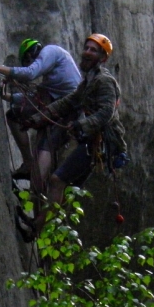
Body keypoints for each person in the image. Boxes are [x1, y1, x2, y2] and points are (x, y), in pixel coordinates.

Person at [26, 33, 128, 230]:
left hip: (101, 143)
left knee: (57, 180)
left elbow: (106, 113)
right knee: (69, 190)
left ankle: (36, 226)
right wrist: (37, 118)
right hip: (92, 141)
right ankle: (46, 228)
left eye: (94, 50)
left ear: (103, 58)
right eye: (86, 48)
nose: (87, 53)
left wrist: (82, 125)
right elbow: (69, 102)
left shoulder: (104, 81)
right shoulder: (89, 81)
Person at [0, 39, 81, 186]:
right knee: (14, 116)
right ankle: (29, 167)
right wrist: (8, 97)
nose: (30, 62)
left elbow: (30, 73)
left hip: (67, 110)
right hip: (65, 110)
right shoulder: (52, 76)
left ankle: (36, 185)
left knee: (45, 146)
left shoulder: (51, 51)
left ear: (32, 52)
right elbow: (36, 97)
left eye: (28, 59)